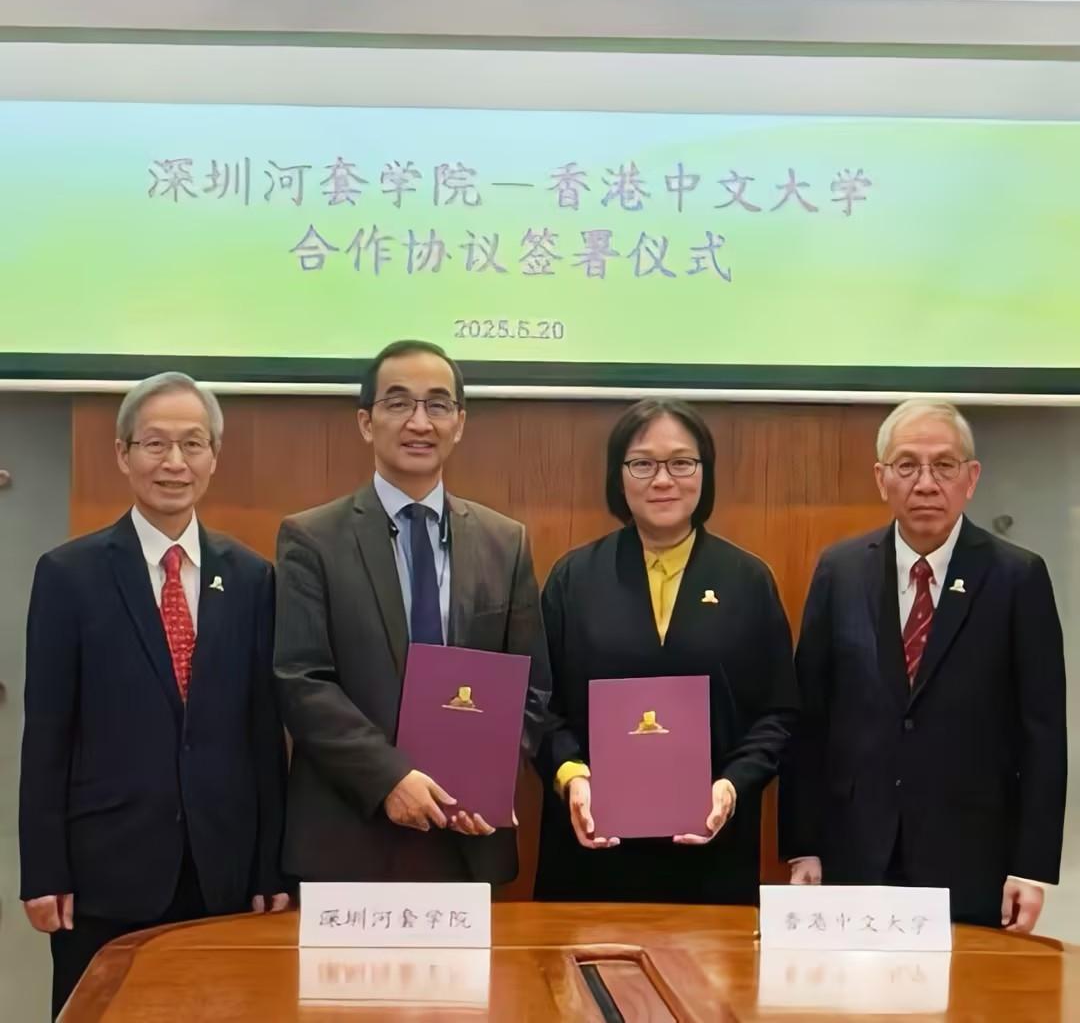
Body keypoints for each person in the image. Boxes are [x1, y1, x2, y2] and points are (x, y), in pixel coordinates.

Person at [19, 372, 289, 1020]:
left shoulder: (251, 578)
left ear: (213, 457)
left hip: (222, 870)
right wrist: (43, 870)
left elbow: (263, 733)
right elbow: (47, 734)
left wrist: (269, 866)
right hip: (105, 873)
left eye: (193, 444)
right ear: (123, 454)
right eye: (155, 444)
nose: (174, 462)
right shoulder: (68, 575)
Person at [779, 399, 1067, 932]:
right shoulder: (840, 571)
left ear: (971, 478)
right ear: (881, 478)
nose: (926, 483)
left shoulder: (1017, 577)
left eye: (944, 466)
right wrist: (803, 845)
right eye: (907, 465)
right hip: (854, 853)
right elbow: (811, 719)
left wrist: (1031, 867)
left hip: (972, 858)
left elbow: (1043, 732)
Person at [273, 340, 551, 885]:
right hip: (351, 836)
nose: (419, 422)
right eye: (398, 403)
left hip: (467, 838)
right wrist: (389, 778)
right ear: (366, 421)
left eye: (438, 404)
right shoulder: (312, 539)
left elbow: (531, 685)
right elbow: (301, 680)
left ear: (459, 423)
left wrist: (487, 777)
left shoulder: (505, 542)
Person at [534, 398, 798, 903]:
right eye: (642, 464)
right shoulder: (574, 578)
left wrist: (732, 786)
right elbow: (540, 704)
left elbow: (779, 712)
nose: (662, 480)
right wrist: (571, 776)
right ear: (618, 477)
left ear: (705, 473)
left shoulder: (747, 580)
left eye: (681, 463)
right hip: (592, 852)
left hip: (712, 852)